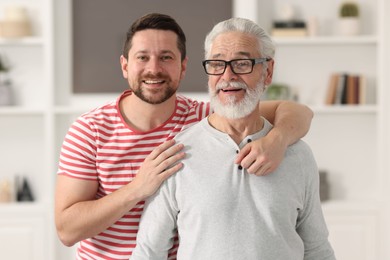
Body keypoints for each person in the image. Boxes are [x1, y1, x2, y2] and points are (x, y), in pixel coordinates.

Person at [55, 13, 314, 259]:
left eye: (166, 57)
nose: (153, 69)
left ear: (184, 66)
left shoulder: (206, 116)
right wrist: (137, 188)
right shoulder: (90, 130)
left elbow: (295, 112)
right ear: (125, 66)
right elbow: (67, 230)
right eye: (142, 57)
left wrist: (277, 140)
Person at [132, 17, 335, 259]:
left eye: (241, 63)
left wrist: (279, 140)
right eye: (217, 64)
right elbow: (148, 252)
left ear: (268, 71)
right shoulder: (175, 155)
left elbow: (316, 249)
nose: (227, 75)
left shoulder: (297, 155)